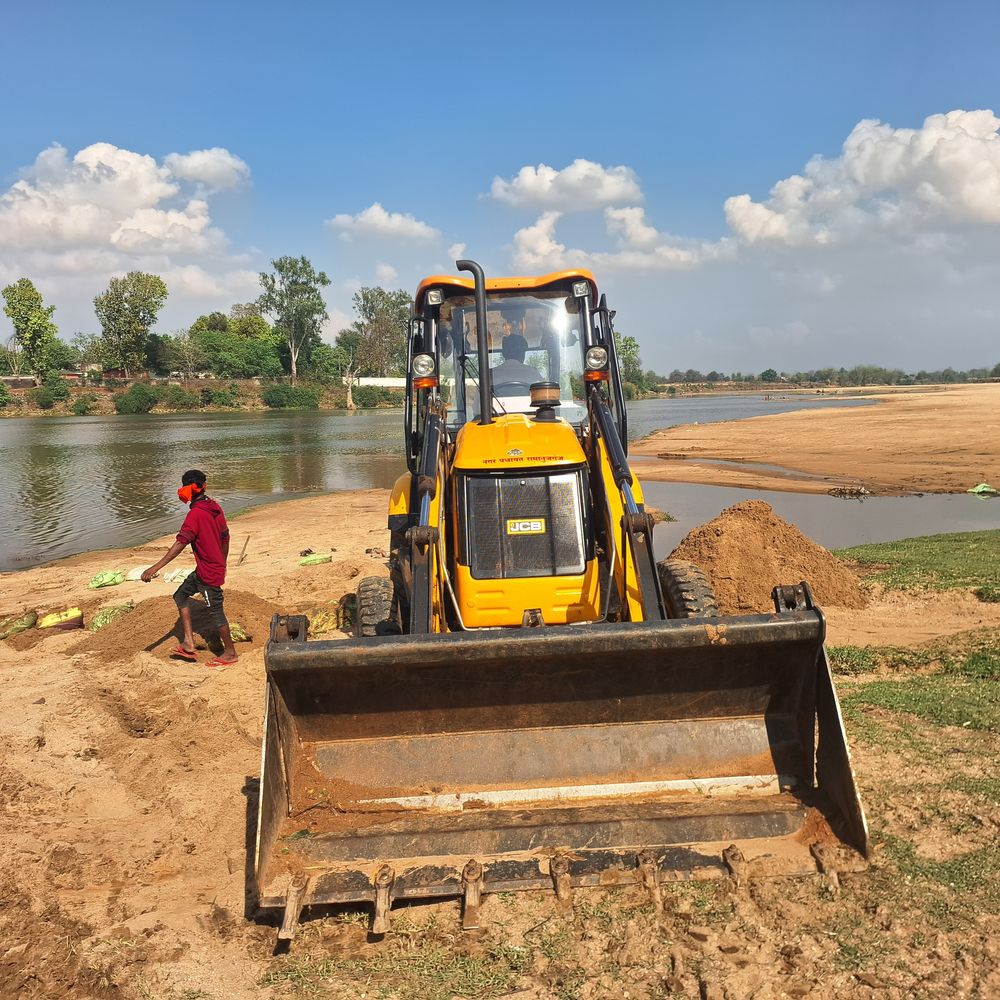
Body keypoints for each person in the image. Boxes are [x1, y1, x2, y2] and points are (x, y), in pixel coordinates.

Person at [141, 469, 237, 666]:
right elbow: (225, 537)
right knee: (181, 596)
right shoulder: (215, 507)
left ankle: (230, 652)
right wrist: (222, 561)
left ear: (187, 489)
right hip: (205, 569)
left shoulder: (195, 515)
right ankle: (188, 643)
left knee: (216, 611)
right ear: (203, 486)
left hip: (209, 572)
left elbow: (180, 544)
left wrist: (154, 568)